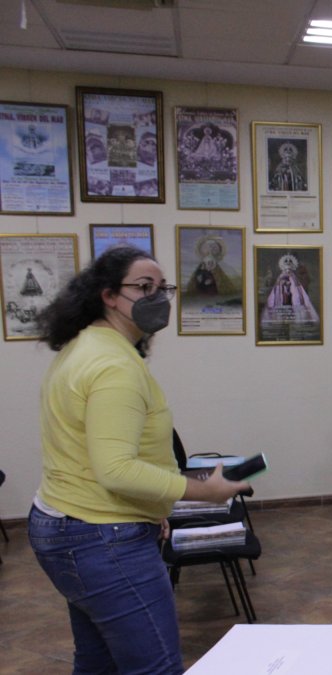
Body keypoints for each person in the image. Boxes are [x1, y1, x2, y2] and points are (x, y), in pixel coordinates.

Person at [27, 245, 249, 674]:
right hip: (101, 538)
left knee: (98, 663)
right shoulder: (114, 366)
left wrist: (150, 509)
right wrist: (206, 491)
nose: (157, 298)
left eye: (162, 288)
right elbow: (116, 469)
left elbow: (91, 454)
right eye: (143, 287)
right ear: (109, 295)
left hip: (68, 523)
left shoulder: (83, 346)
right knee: (156, 667)